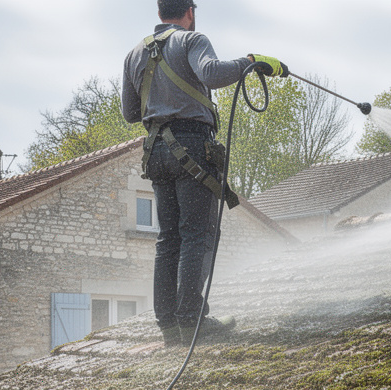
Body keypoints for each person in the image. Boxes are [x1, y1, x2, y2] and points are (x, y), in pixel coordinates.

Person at [121, 0, 287, 346]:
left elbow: (130, 112)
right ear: (190, 12)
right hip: (191, 146)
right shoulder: (191, 40)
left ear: (159, 14)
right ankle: (193, 321)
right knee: (196, 235)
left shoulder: (134, 53)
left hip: (157, 152)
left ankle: (169, 326)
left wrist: (162, 103)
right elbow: (212, 73)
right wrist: (251, 62)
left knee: (168, 240)